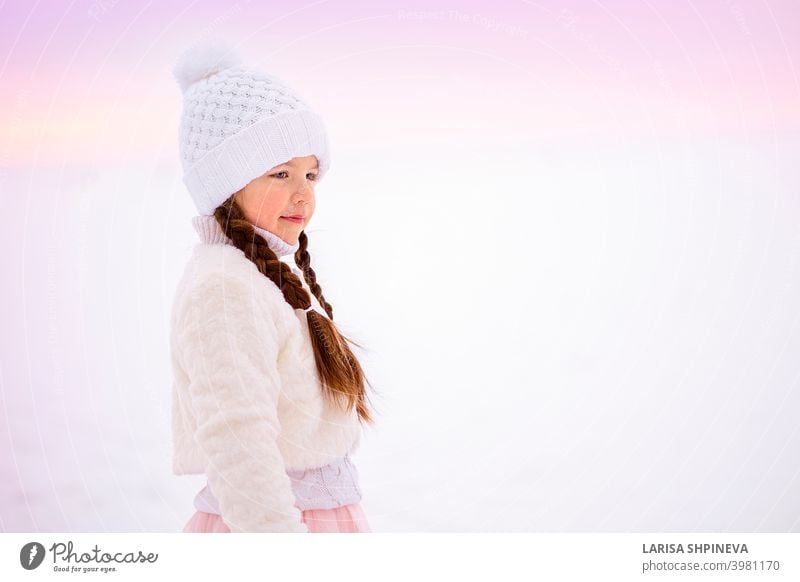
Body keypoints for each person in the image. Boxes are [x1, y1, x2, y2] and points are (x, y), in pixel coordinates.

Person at [169, 39, 377, 533]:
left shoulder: (259, 275)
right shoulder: (223, 290)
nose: (302, 193)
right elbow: (237, 441)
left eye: (310, 173)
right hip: (279, 523)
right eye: (279, 173)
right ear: (225, 184)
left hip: (321, 517)